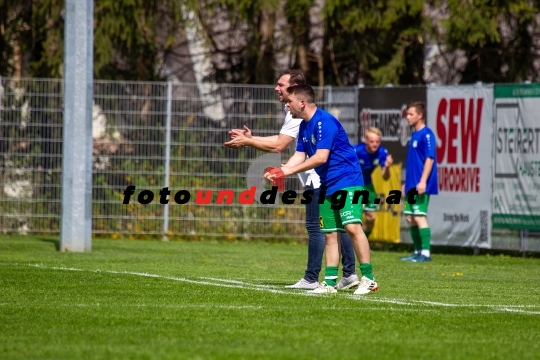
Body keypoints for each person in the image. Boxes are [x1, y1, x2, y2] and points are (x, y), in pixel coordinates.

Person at [224, 70, 359, 290]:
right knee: (337, 226)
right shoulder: (294, 112)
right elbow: (287, 144)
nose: (276, 88)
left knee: (320, 227)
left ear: (294, 88)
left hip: (321, 178)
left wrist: (249, 142)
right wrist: (252, 140)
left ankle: (313, 277)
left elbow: (279, 145)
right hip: (319, 177)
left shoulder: (301, 113)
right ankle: (349, 273)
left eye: (281, 85)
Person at [265, 84, 378, 295]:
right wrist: (281, 170)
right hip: (328, 184)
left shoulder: (325, 122)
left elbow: (320, 157)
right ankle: (329, 282)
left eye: (289, 101)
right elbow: (300, 156)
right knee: (330, 234)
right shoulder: (303, 126)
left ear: (302, 102)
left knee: (352, 227)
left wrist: (287, 173)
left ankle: (369, 278)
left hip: (348, 180)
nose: (286, 105)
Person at [401, 101, 438, 262]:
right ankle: (417, 252)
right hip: (411, 184)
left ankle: (425, 253)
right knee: (410, 217)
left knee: (419, 216)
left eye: (410, 114)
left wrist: (422, 181)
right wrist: (407, 183)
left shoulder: (427, 134)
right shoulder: (414, 135)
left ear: (420, 115)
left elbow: (430, 159)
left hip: (421, 184)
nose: (407, 117)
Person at [352, 127, 393, 239]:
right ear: (366, 141)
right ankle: (350, 243)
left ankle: (362, 242)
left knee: (371, 218)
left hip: (368, 186)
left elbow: (385, 177)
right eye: (372, 141)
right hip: (353, 185)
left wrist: (388, 167)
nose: (375, 144)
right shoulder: (356, 151)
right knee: (353, 218)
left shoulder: (382, 152)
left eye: (377, 142)